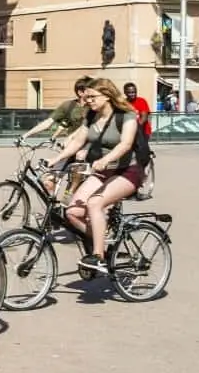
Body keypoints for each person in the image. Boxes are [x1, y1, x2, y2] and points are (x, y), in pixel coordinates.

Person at [48, 78, 144, 274]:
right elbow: (78, 141)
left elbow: (125, 144)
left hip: (128, 170)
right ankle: (105, 242)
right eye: (86, 96)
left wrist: (105, 159)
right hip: (102, 171)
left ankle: (98, 256)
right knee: (73, 212)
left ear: (107, 96)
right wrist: (56, 159)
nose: (88, 100)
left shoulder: (126, 115)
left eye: (92, 96)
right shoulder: (91, 116)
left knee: (94, 204)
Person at [20, 76, 92, 143]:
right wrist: (25, 135)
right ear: (80, 93)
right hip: (72, 144)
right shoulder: (69, 105)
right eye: (90, 90)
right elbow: (48, 122)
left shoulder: (96, 106)